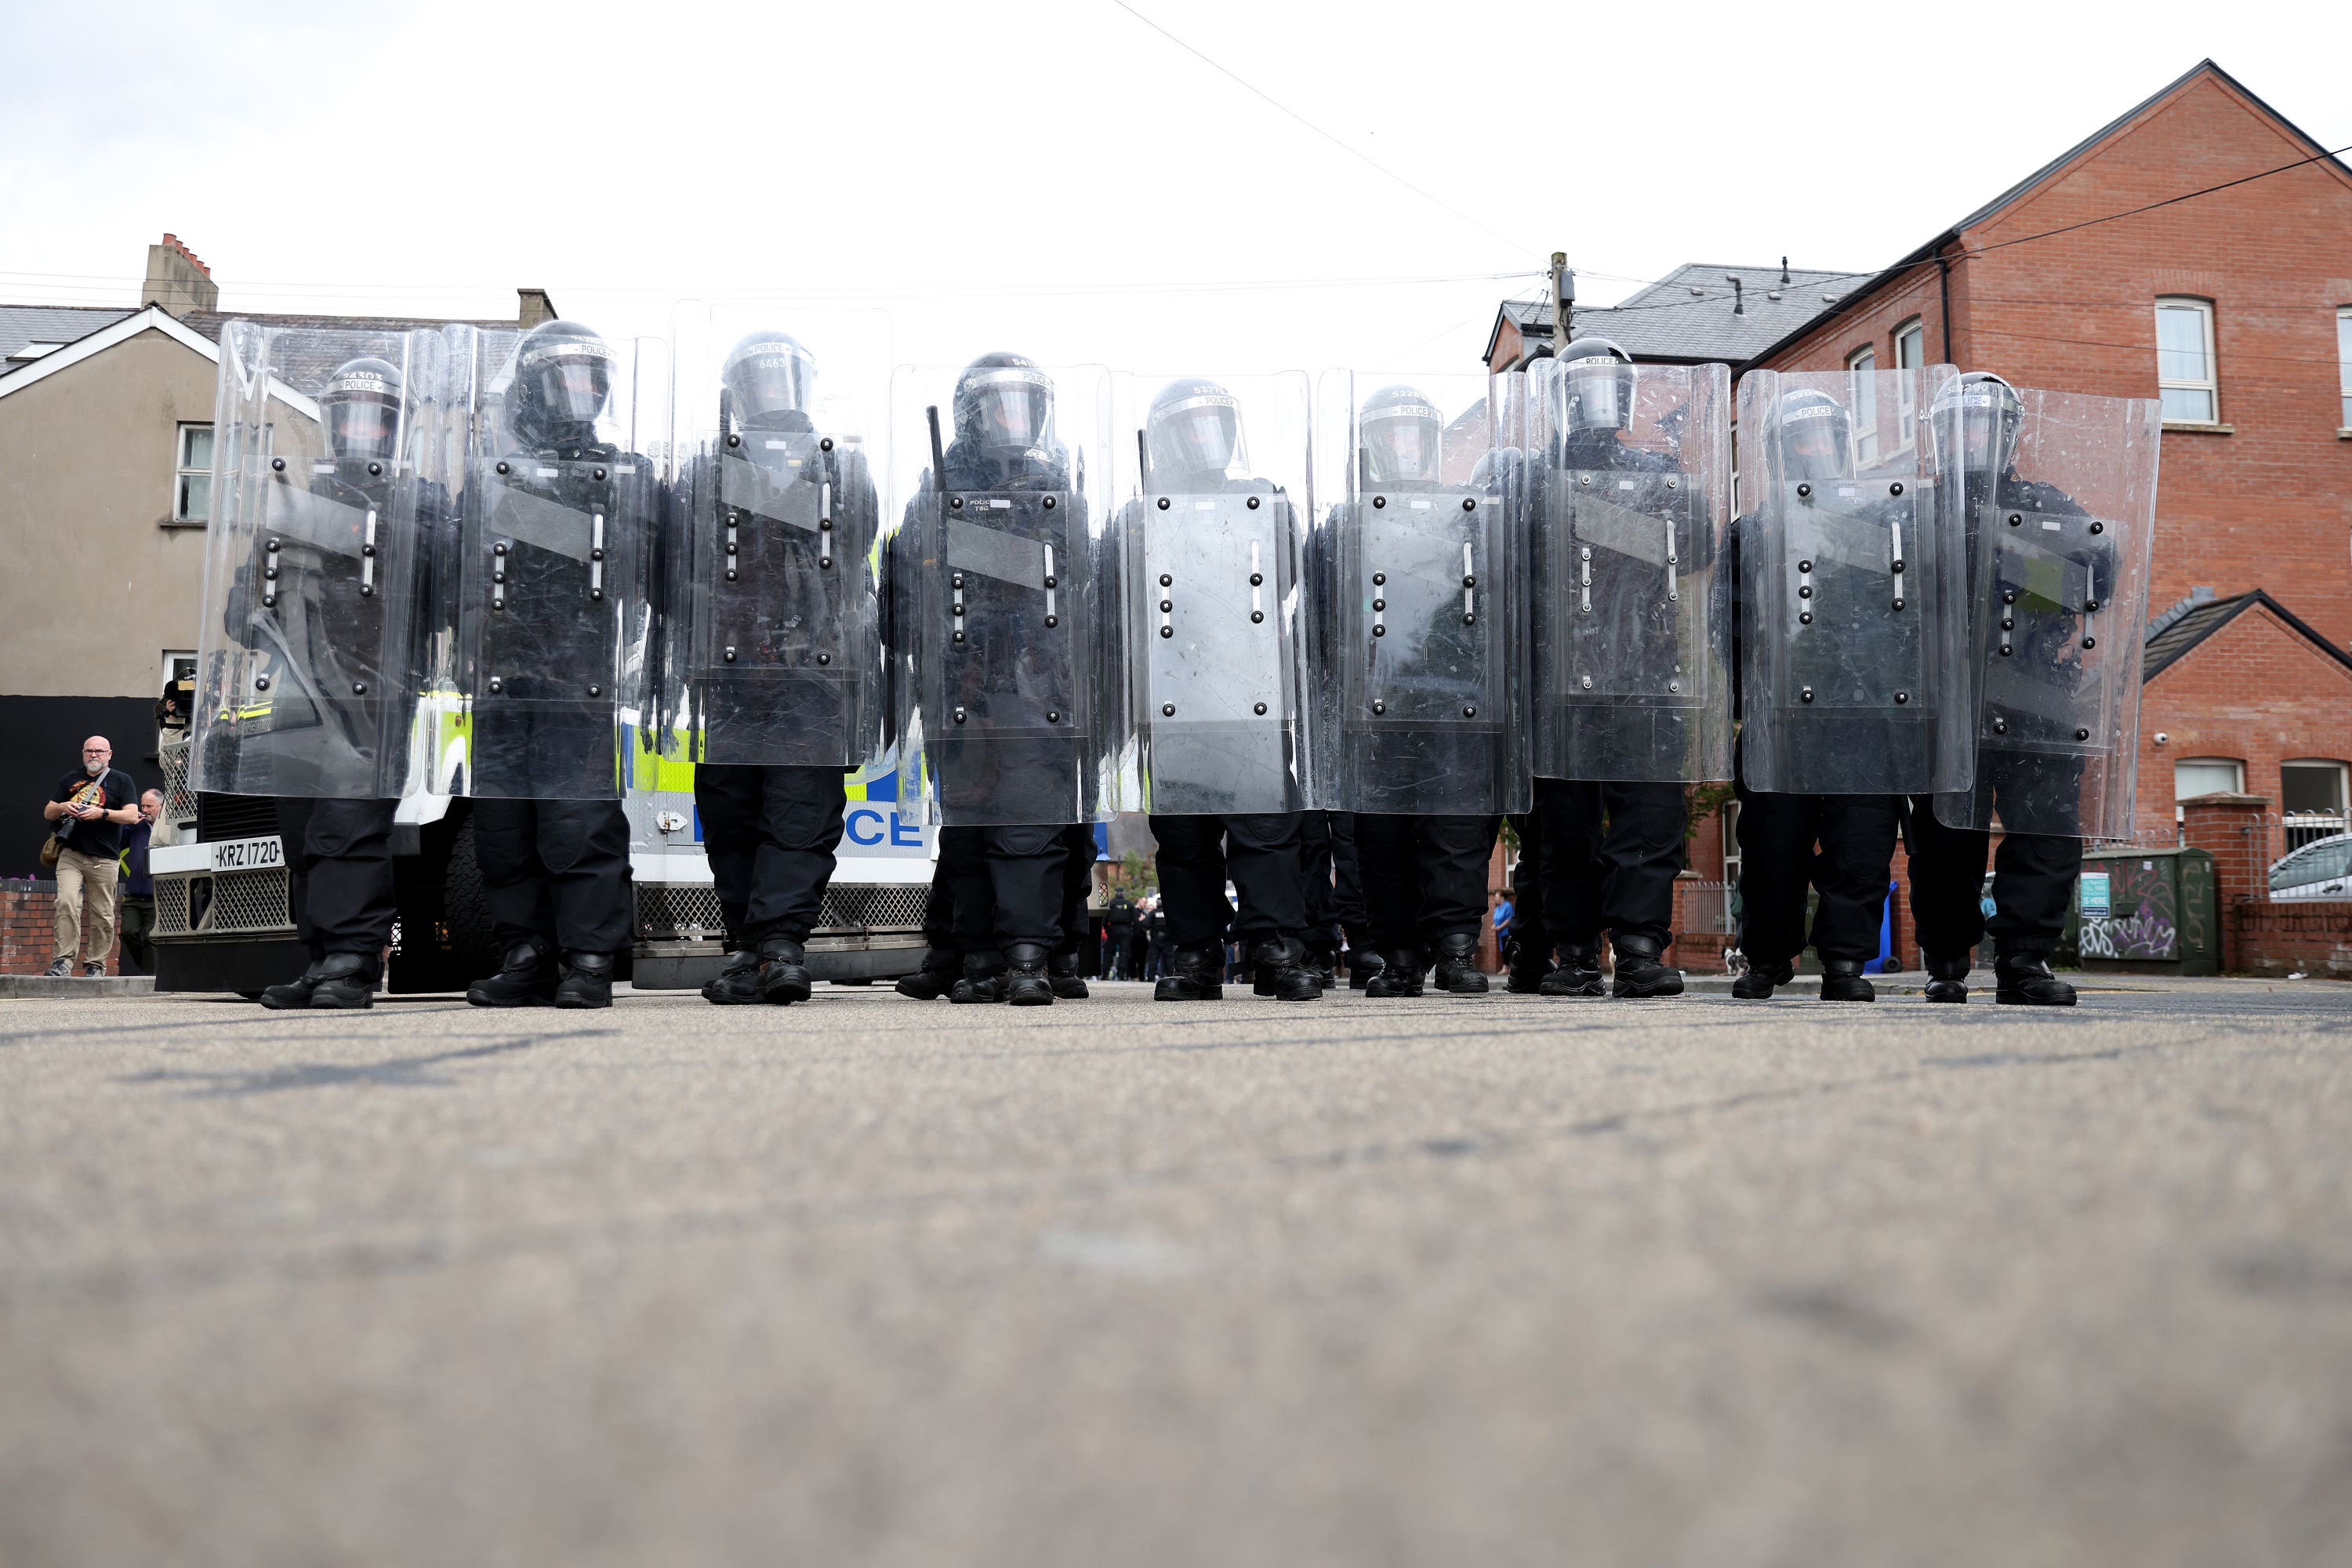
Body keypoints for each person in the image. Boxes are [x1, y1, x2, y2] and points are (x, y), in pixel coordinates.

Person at [682, 332, 880, 1007]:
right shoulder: (703, 470)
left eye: (781, 379)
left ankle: (781, 947)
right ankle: (746, 948)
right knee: (731, 815)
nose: (771, 394)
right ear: (737, 392)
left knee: (798, 817)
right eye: (757, 381)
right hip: (728, 675)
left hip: (811, 678)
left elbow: (853, 557)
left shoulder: (839, 470)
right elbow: (672, 573)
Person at [463, 321, 646, 1010]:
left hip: (580, 682)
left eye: (589, 378)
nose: (579, 392)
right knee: (504, 831)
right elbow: (457, 572)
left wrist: (534, 513)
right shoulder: (489, 477)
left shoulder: (625, 475)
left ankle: (589, 962)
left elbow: (637, 569)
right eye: (563, 377)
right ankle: (528, 955)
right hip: (502, 681)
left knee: (580, 828)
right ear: (532, 389)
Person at [902, 352, 1094, 1006]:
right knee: (965, 828)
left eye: (1024, 403)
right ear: (972, 414)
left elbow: (1083, 590)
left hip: (1036, 688)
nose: (1015, 418)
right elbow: (901, 597)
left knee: (1032, 828)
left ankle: (1033, 954)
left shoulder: (1058, 491)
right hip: (962, 686)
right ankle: (974, 954)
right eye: (1000, 404)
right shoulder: (935, 490)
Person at [1124, 378, 1319, 1003]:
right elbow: (1122, 605)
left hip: (1251, 694)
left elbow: (1287, 581)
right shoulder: (1142, 513)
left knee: (1267, 830)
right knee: (1184, 840)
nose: (1208, 439)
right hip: (1173, 696)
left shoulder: (1263, 501)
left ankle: (1275, 948)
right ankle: (1197, 952)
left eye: (1216, 424)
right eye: (1192, 427)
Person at [1909, 373, 2100, 1007]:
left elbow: (2096, 577)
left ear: (2007, 432)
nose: (1971, 438)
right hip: (1944, 698)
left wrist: (2013, 558)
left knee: (2047, 828)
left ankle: (2024, 958)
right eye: (1960, 426)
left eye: (1983, 425)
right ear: (1940, 434)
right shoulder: (1913, 508)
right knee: (1943, 839)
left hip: (2035, 694)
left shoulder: (2049, 504)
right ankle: (1946, 957)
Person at [1522, 339, 1692, 1000]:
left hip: (1646, 675)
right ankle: (1574, 954)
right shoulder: (1532, 478)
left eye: (1607, 385)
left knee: (1649, 822)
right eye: (1584, 386)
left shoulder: (1658, 470)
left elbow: (1696, 542)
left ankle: (1640, 950)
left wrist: (1668, 496)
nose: (1597, 399)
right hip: (1560, 680)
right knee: (1565, 828)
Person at [1724, 386, 1905, 1002]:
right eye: (1799, 439)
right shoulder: (1751, 533)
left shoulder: (1888, 523)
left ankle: (1845, 963)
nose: (1813, 450)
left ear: (1842, 444)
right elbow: (1725, 631)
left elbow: (1912, 618)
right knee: (1773, 850)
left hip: (1864, 715)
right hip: (1781, 718)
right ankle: (1767, 958)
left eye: (1823, 436)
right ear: (1780, 452)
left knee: (1860, 848)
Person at [1334, 384, 1505, 998]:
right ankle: (1399, 954)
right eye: (1393, 436)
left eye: (1415, 436)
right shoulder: (1348, 520)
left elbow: (1495, 604)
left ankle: (1456, 947)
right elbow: (1323, 615)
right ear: (1374, 447)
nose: (1405, 449)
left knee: (1454, 832)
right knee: (1382, 836)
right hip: (1377, 700)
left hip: (1457, 697)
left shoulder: (1467, 513)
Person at [43, 737, 138, 977]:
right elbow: (48, 811)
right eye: (89, 751)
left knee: (103, 914)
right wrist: (65, 806)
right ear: (83, 753)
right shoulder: (70, 779)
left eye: (99, 751)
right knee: (65, 903)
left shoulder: (122, 780)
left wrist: (102, 813)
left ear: (109, 754)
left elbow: (130, 816)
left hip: (104, 858)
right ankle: (63, 961)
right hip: (71, 854)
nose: (94, 755)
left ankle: (95, 965)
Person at [115, 789, 175, 977]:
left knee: (152, 937)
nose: (145, 810)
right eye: (143, 806)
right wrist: (129, 825)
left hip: (158, 893)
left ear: (161, 807)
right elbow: (117, 844)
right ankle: (147, 968)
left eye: (149, 806)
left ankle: (150, 978)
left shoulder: (169, 828)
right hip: (134, 893)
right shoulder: (137, 827)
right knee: (128, 932)